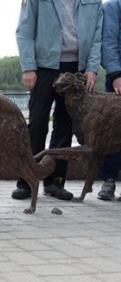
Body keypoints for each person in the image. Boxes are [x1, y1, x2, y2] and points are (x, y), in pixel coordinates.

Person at [12, 0, 103, 201]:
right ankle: (26, 181)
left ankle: (55, 181)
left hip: (77, 68)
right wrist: (28, 66)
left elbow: (97, 36)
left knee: (65, 127)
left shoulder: (94, 1)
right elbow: (24, 32)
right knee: (37, 123)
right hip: (45, 66)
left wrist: (91, 68)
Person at [96, 0, 121, 200]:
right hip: (118, 78)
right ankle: (109, 180)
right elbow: (108, 43)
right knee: (114, 133)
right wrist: (116, 75)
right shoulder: (113, 7)